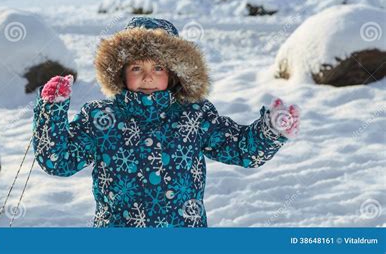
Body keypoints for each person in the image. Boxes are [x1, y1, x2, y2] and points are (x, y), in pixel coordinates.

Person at [32, 17, 300, 227]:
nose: (147, 77)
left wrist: (270, 131)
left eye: (158, 68)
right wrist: (52, 111)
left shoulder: (194, 115)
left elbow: (242, 149)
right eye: (137, 68)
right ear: (120, 73)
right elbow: (58, 160)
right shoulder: (102, 118)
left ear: (173, 74)